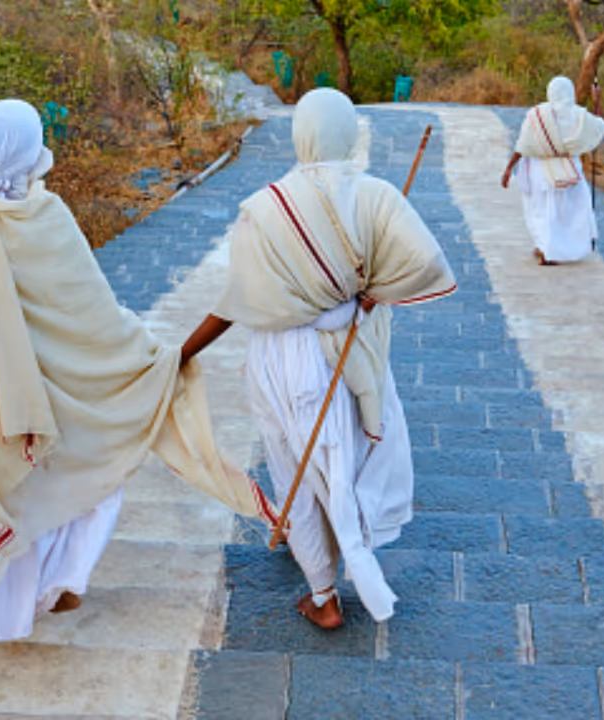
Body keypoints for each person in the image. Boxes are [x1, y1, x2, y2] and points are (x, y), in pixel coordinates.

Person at [0, 99, 277, 643]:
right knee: (88, 480)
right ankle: (59, 582)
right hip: (48, 403)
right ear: (31, 151)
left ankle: (3, 621)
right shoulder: (45, 218)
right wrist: (150, 359)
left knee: (2, 499)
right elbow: (94, 316)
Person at [180, 89, 456, 629]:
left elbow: (233, 301)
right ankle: (349, 548)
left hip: (282, 358)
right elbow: (425, 261)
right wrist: (371, 293)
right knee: (343, 457)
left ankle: (323, 594)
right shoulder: (375, 194)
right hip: (348, 349)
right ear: (348, 132)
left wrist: (182, 354)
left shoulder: (265, 206)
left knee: (297, 467)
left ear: (300, 133)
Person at [500, 76, 604, 265]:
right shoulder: (578, 115)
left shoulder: (537, 114)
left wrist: (510, 167)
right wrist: (597, 99)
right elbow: (599, 127)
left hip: (540, 171)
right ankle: (553, 249)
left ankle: (545, 248)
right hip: (569, 169)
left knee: (542, 210)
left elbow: (523, 144)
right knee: (569, 213)